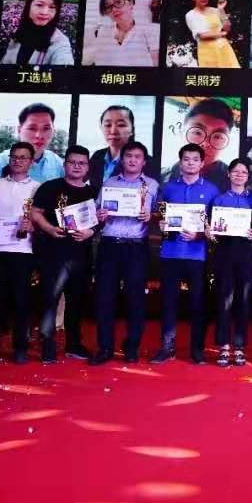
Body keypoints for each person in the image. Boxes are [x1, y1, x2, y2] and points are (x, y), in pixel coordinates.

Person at [90, 141, 158, 365]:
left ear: (144, 161)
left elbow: (161, 215)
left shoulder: (152, 185)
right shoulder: (109, 183)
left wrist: (152, 216)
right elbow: (97, 212)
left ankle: (131, 348)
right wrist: (100, 215)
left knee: (136, 299)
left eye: (137, 157)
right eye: (129, 156)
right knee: (104, 297)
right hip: (110, 244)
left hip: (136, 246)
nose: (132, 160)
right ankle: (105, 348)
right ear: (122, 159)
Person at [0, 142, 41, 366]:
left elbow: (41, 220)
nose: (18, 161)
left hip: (22, 251)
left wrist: (33, 227)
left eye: (23, 157)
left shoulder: (39, 188)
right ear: (9, 159)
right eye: (14, 157)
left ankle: (20, 348)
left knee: (22, 302)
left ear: (31, 162)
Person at [152, 144, 220, 365]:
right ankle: (166, 347)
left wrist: (200, 234)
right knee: (168, 302)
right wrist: (161, 224)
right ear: (180, 162)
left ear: (202, 163)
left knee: (198, 304)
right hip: (170, 253)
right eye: (186, 159)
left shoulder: (212, 190)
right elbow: (160, 215)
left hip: (198, 256)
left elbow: (215, 226)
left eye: (195, 159)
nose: (190, 163)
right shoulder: (168, 188)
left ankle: (197, 349)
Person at [29, 145, 97, 363]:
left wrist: (90, 232)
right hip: (54, 253)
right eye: (72, 162)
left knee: (77, 301)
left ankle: (74, 345)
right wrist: (49, 229)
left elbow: (100, 220)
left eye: (81, 163)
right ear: (65, 164)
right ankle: (47, 346)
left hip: (81, 255)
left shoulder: (93, 192)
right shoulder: (50, 187)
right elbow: (35, 213)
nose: (77, 166)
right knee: (50, 300)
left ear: (87, 166)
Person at [207, 158, 252, 367]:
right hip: (224, 251)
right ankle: (224, 346)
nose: (239, 175)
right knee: (224, 299)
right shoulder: (218, 200)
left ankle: (239, 347)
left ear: (248, 176)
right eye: (235, 171)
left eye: (243, 172)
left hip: (246, 252)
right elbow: (211, 228)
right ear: (228, 174)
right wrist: (210, 232)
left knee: (243, 300)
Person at [82, 0, 160, 67]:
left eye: (118, 2)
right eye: (108, 7)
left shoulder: (152, 30)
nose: (114, 9)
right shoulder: (103, 32)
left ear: (131, 3)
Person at [0, 103, 65, 183]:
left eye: (46, 128)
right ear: (19, 130)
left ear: (53, 131)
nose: (39, 135)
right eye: (32, 128)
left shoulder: (57, 163)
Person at [1, 0, 74, 66]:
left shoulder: (61, 42)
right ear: (29, 5)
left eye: (52, 7)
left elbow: (64, 65)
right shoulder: (19, 32)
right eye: (39, 5)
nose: (44, 12)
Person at [180, 98, 236, 191]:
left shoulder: (234, 182)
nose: (205, 143)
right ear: (182, 132)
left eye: (217, 137)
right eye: (197, 133)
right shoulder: (161, 178)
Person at [184, 0, 240, 68]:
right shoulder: (190, 15)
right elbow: (202, 35)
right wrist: (222, 33)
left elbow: (227, 28)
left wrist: (221, 10)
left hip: (224, 48)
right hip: (207, 52)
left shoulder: (215, 10)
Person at [88, 105, 135, 189]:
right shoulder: (97, 156)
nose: (113, 131)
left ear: (132, 130)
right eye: (108, 125)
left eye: (121, 125)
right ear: (101, 128)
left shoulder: (144, 162)